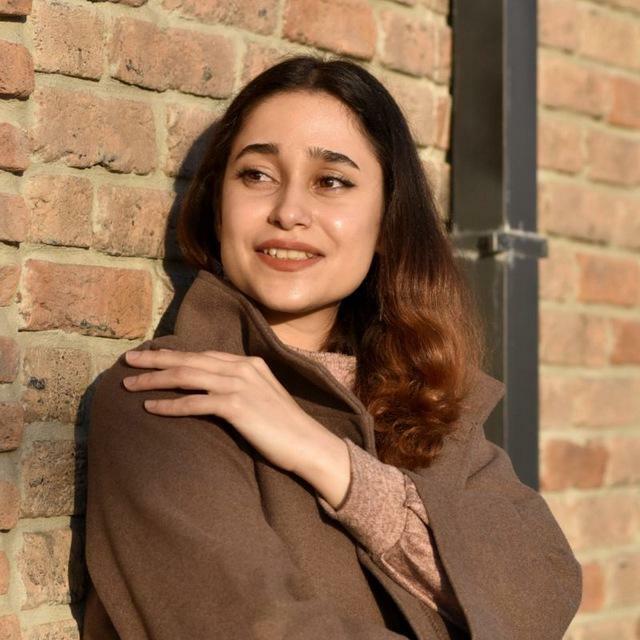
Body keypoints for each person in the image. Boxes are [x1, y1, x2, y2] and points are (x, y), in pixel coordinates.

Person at [82, 54, 582, 639]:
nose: (289, 213)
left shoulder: (426, 405)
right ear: (218, 206)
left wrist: (334, 463)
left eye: (332, 182)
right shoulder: (166, 396)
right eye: (256, 175)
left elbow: (545, 589)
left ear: (387, 221)